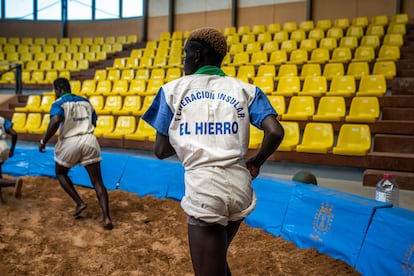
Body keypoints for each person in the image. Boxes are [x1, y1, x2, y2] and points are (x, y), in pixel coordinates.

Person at [143, 27, 284, 276]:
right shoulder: (246, 90)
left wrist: (194, 140)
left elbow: (161, 151)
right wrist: (257, 161)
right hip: (240, 185)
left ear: (196, 56)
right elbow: (275, 132)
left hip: (205, 190)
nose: (184, 60)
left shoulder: (171, 90)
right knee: (217, 263)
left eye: (186, 54)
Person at [38, 77, 113, 230]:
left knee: (60, 172)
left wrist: (44, 141)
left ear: (58, 90)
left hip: (70, 141)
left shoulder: (58, 103)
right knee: (98, 181)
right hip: (89, 139)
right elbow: (94, 121)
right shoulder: (86, 101)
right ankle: (106, 217)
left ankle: (79, 202)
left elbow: (56, 119)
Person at [0, 115, 22, 203]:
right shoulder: (1, 119)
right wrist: (12, 149)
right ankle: (1, 199)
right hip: (4, 148)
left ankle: (14, 183)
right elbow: (14, 133)